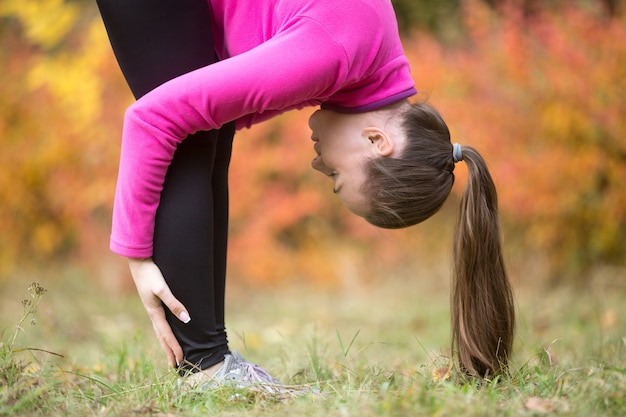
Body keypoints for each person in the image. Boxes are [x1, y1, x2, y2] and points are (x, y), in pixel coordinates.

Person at [96, 0, 515, 389]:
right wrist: (137, 255)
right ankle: (205, 369)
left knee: (204, 129)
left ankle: (211, 363)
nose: (319, 166)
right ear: (376, 142)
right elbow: (152, 119)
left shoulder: (366, 58)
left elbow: (225, 111)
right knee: (188, 132)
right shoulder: (332, 53)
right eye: (336, 174)